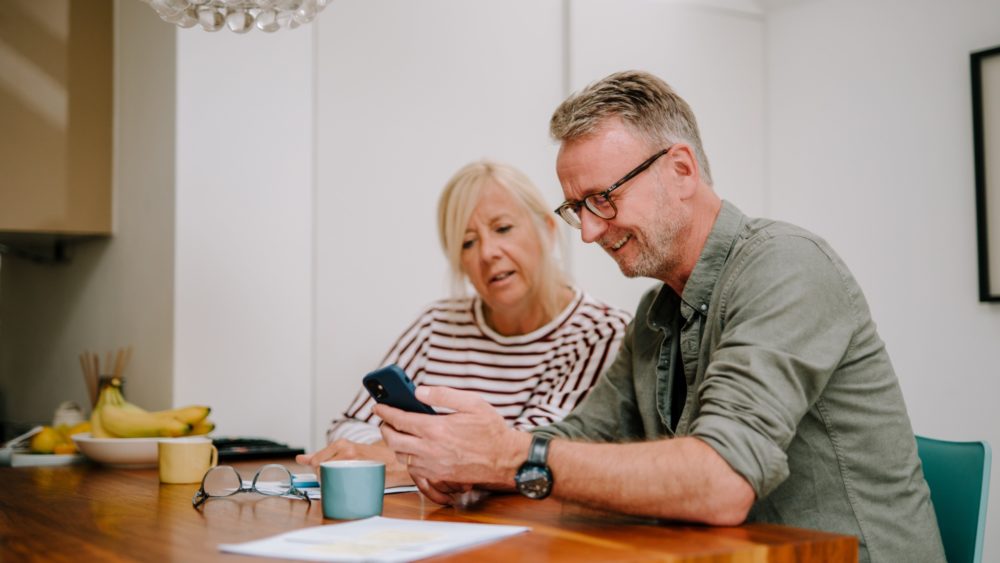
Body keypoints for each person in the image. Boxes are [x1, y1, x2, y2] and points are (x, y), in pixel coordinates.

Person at [375, 71, 946, 563]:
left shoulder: (788, 265)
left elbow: (722, 481)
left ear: (680, 169)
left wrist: (508, 456)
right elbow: (582, 438)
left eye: (604, 197)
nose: (593, 230)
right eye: (578, 209)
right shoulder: (655, 311)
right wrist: (473, 464)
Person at [297, 160, 632, 486]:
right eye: (467, 242)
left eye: (503, 228)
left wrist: (398, 457)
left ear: (546, 229)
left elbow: (529, 454)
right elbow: (350, 424)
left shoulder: (600, 334)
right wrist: (422, 460)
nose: (487, 253)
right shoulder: (437, 325)